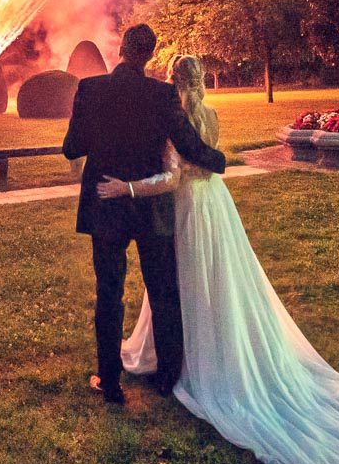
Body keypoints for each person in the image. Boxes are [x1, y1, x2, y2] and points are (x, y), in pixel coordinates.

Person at [107, 54, 339, 464]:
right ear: (202, 82)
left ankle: (193, 359)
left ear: (173, 83)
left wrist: (125, 186)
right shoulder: (208, 115)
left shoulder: (176, 120)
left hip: (189, 210)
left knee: (185, 284)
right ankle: (202, 345)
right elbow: (210, 163)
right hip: (217, 207)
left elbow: (173, 178)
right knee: (220, 285)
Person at [61, 24, 228, 404]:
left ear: (121, 48)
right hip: (152, 209)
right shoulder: (162, 94)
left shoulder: (90, 90)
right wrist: (218, 161)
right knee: (163, 291)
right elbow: (189, 144)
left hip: (106, 205)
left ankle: (109, 381)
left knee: (109, 293)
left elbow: (73, 148)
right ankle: (167, 378)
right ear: (150, 55)